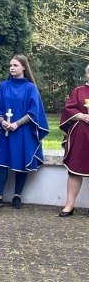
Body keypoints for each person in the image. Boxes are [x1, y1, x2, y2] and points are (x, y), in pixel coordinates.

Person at [0, 55, 49, 209]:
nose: (12, 68)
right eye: (10, 65)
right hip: (5, 130)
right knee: (2, 162)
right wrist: (2, 121)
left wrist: (17, 124)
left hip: (22, 131)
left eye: (15, 65)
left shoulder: (30, 88)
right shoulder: (4, 86)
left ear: (24, 67)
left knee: (22, 161)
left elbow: (34, 111)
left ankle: (17, 196)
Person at [58, 64, 89, 217]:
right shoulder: (78, 91)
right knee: (74, 171)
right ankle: (69, 205)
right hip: (80, 136)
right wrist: (82, 116)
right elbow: (69, 108)